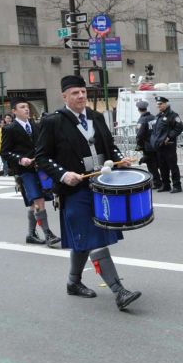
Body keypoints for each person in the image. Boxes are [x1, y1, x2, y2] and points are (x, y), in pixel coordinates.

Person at [35, 75, 142, 310]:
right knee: (93, 237)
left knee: (83, 238)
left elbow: (108, 144)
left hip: (100, 185)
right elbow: (41, 157)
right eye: (75, 93)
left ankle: (73, 282)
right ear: (64, 96)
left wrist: (117, 160)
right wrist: (64, 175)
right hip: (74, 190)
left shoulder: (96, 116)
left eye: (83, 92)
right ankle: (119, 291)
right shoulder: (53, 121)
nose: (81, 96)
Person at [1, 98, 60, 247]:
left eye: (27, 107)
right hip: (24, 171)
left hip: (39, 169)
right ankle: (48, 233)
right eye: (22, 107)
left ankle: (31, 234)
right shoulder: (9, 129)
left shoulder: (34, 125)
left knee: (35, 203)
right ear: (14, 111)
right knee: (38, 199)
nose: (26, 109)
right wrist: (21, 159)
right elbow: (5, 152)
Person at [150, 96, 183, 193]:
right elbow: (155, 131)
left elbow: (179, 128)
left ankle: (177, 186)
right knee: (162, 166)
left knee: (172, 166)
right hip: (160, 146)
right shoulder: (158, 116)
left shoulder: (173, 115)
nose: (158, 106)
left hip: (169, 145)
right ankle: (166, 185)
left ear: (166, 104)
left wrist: (169, 137)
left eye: (160, 104)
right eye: (157, 104)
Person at [135, 100, 162, 189]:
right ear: (146, 108)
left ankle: (157, 182)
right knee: (159, 163)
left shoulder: (142, 120)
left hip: (148, 146)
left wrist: (139, 145)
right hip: (157, 145)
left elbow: (139, 135)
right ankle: (163, 182)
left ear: (139, 109)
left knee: (151, 165)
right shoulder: (154, 118)